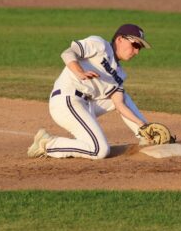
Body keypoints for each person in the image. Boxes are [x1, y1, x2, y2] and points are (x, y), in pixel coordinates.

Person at [27, 24, 151, 160]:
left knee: (123, 98)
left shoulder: (120, 74)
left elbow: (120, 105)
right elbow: (67, 53)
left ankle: (148, 136)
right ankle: (47, 144)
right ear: (120, 39)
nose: (137, 52)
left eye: (140, 48)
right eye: (135, 45)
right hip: (66, 100)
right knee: (99, 150)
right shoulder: (99, 45)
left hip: (86, 105)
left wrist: (142, 125)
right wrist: (79, 72)